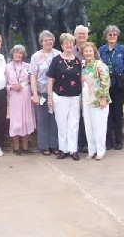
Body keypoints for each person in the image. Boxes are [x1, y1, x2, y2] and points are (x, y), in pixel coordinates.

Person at [46, 33, 82, 161]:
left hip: (75, 96)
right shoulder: (56, 60)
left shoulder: (77, 61)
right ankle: (63, 149)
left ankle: (73, 150)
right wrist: (49, 97)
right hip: (60, 96)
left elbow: (81, 79)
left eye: (70, 43)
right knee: (61, 124)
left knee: (74, 123)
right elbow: (50, 79)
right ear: (61, 45)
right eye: (66, 43)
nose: (68, 45)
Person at [29, 30, 61, 156]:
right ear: (41, 42)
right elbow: (33, 76)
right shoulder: (36, 56)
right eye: (45, 40)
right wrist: (35, 94)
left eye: (50, 40)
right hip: (41, 92)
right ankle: (44, 146)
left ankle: (55, 145)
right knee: (42, 120)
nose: (48, 42)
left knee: (55, 120)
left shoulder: (58, 54)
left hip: (57, 92)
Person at [99, 25, 124, 150]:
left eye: (114, 34)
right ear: (106, 36)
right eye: (110, 34)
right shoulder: (101, 50)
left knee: (117, 114)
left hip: (118, 86)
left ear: (117, 36)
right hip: (105, 86)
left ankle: (118, 140)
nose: (112, 37)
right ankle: (108, 141)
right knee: (107, 114)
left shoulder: (122, 50)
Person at [81, 42, 111, 160]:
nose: (88, 53)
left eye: (90, 51)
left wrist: (102, 98)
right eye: (86, 51)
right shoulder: (84, 66)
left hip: (98, 100)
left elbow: (105, 81)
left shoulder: (99, 65)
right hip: (86, 100)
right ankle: (91, 150)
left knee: (99, 126)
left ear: (94, 52)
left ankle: (100, 151)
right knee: (89, 126)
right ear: (83, 53)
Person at [5, 45, 36, 155]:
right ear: (12, 54)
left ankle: (25, 146)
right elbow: (4, 83)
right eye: (16, 53)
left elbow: (32, 80)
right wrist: (12, 87)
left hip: (26, 94)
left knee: (26, 120)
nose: (18, 55)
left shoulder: (28, 66)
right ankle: (16, 147)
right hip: (14, 95)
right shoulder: (7, 67)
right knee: (16, 121)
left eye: (20, 53)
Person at [73, 25, 89, 153]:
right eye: (79, 34)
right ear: (75, 36)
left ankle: (87, 143)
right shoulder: (71, 50)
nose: (81, 36)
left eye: (83, 34)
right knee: (76, 116)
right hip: (74, 89)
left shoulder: (91, 50)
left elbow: (98, 66)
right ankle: (77, 142)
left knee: (87, 116)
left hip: (89, 89)